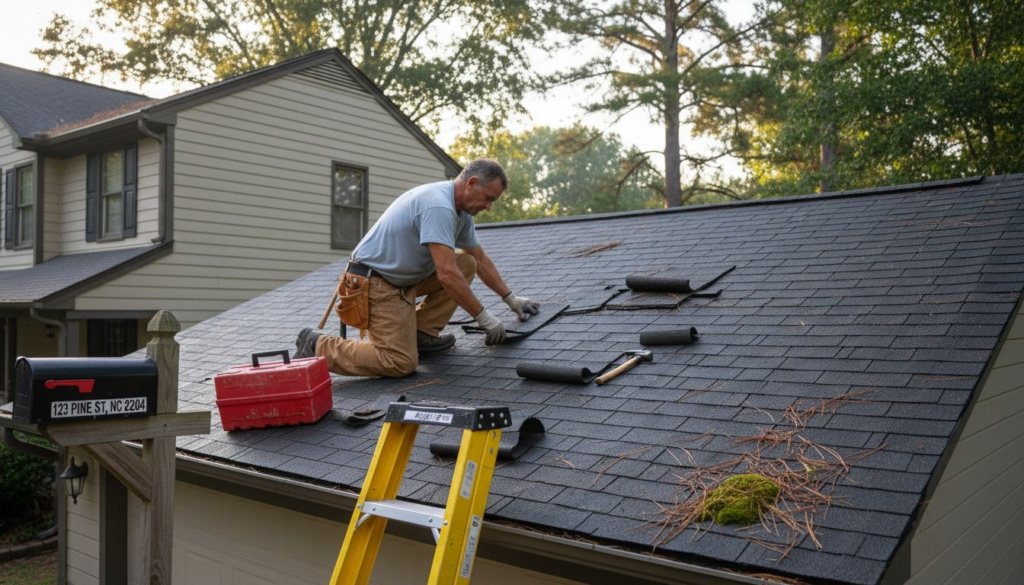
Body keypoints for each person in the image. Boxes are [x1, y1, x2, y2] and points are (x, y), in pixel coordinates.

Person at [294, 158, 539, 377]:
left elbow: (480, 259)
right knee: (399, 361)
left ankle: (421, 334)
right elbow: (445, 273)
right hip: (374, 282)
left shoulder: (462, 214)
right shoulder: (438, 206)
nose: (489, 207)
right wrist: (485, 318)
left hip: (400, 279)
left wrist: (511, 299)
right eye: (489, 198)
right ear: (472, 183)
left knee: (467, 263)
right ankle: (317, 345)